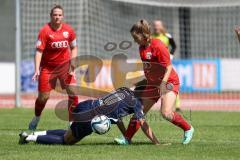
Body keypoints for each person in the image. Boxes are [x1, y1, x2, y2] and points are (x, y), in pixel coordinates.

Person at [115, 19, 194, 145]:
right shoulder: (141, 48)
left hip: (169, 82)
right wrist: (140, 82)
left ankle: (188, 128)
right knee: (139, 110)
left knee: (165, 113)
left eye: (136, 37)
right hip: (153, 84)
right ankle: (127, 138)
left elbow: (168, 67)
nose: (134, 40)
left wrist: (162, 84)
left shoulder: (158, 46)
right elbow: (150, 69)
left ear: (144, 35)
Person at [19, 87, 160, 145]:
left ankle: (35, 133)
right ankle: (29, 137)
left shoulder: (124, 90)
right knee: (66, 141)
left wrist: (127, 138)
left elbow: (117, 117)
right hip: (90, 117)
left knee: (69, 133)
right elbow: (143, 123)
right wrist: (156, 142)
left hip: (86, 105)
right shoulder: (136, 103)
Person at [28, 5, 78, 130]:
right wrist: (36, 70)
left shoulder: (69, 30)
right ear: (51, 16)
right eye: (55, 15)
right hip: (48, 69)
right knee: (43, 97)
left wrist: (73, 63)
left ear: (63, 16)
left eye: (60, 15)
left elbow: (74, 47)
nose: (57, 17)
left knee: (73, 92)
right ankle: (36, 117)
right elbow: (39, 51)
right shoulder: (45, 31)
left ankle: (71, 122)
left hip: (65, 68)